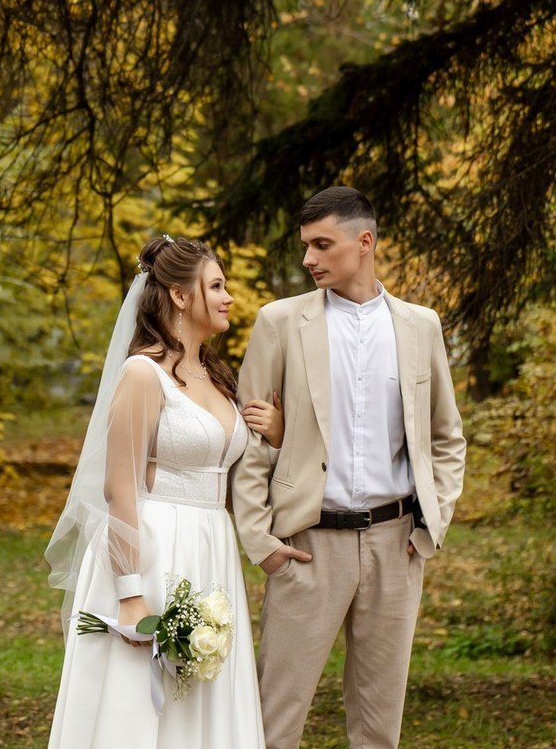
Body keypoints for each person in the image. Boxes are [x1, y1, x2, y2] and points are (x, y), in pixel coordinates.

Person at [232, 186, 467, 749]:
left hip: (396, 544)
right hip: (308, 546)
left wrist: (431, 527)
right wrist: (259, 541)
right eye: (306, 247)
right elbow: (249, 440)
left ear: (364, 243)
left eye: (321, 244)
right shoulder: (279, 323)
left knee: (380, 727)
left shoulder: (420, 326)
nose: (308, 259)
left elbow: (446, 438)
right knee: (275, 720)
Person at [45, 235, 281, 749]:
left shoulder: (217, 377)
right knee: (138, 702)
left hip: (211, 549)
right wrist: (131, 594)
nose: (228, 297)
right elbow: (119, 488)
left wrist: (277, 434)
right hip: (154, 551)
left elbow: (234, 466)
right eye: (216, 285)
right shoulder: (142, 373)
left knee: (201, 696)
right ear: (179, 295)